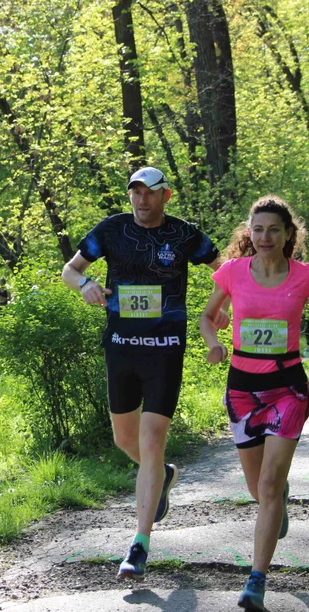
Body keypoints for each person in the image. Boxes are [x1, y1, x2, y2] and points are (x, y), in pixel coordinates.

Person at [62, 166, 223, 582]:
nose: (141, 200)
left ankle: (139, 545)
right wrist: (84, 286)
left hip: (165, 350)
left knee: (152, 442)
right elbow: (70, 269)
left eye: (149, 193)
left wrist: (219, 305)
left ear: (165, 196)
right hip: (120, 348)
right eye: (135, 193)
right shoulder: (111, 230)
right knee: (125, 441)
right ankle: (164, 476)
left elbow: (224, 269)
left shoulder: (185, 234)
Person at [199, 195, 309, 612]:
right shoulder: (231, 273)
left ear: (288, 235)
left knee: (267, 486)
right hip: (242, 389)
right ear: (250, 232)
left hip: (288, 388)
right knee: (258, 490)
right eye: (258, 229)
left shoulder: (305, 278)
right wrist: (213, 344)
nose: (265, 237)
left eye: (274, 229)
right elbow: (207, 316)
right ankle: (277, 502)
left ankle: (256, 580)